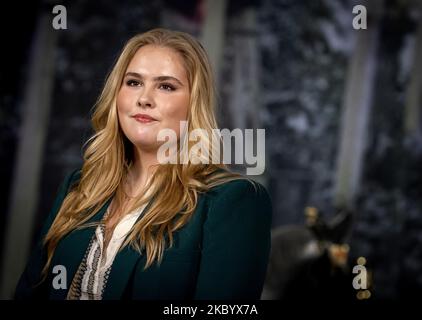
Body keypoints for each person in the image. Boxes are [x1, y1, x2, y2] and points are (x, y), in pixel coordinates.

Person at [15, 28, 272, 300]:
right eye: (134, 82)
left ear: (193, 103)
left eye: (166, 86)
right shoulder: (79, 187)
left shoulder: (234, 200)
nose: (144, 98)